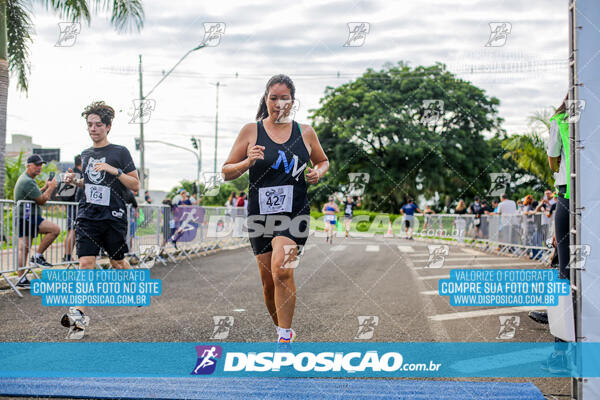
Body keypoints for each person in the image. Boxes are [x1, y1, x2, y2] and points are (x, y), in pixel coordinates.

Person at [222, 74, 329, 345]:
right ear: (266, 99)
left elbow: (323, 161)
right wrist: (247, 161)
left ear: (293, 101)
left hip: (295, 213)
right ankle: (283, 329)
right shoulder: (251, 131)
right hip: (260, 216)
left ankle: (284, 340)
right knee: (269, 284)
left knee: (283, 269)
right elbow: (226, 172)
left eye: (284, 98)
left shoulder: (305, 132)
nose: (279, 103)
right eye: (273, 97)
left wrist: (318, 172)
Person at [62, 101, 140, 339]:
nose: (93, 129)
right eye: (90, 125)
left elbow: (135, 185)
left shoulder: (120, 152)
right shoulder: (86, 154)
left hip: (113, 217)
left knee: (117, 262)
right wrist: (75, 181)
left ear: (108, 126)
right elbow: (92, 183)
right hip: (88, 216)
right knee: (86, 264)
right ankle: (78, 319)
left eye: (98, 125)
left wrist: (113, 170)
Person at [542, 94, 572, 372]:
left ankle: (560, 353)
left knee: (565, 270)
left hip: (569, 195)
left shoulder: (560, 119)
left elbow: (553, 159)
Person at [14, 154, 60, 288]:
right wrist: (51, 187)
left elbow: (35, 195)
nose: (39, 167)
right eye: (36, 164)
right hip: (27, 217)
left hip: (27, 217)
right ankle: (37, 257)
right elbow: (41, 200)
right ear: (28, 165)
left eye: (41, 165)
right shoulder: (27, 181)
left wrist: (45, 187)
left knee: (24, 249)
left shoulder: (27, 179)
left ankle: (21, 278)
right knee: (55, 229)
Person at [61, 155, 83, 263]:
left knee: (71, 230)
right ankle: (68, 256)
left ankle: (67, 255)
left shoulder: (71, 173)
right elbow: (65, 193)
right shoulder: (75, 174)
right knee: (73, 231)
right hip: (74, 206)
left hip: (72, 206)